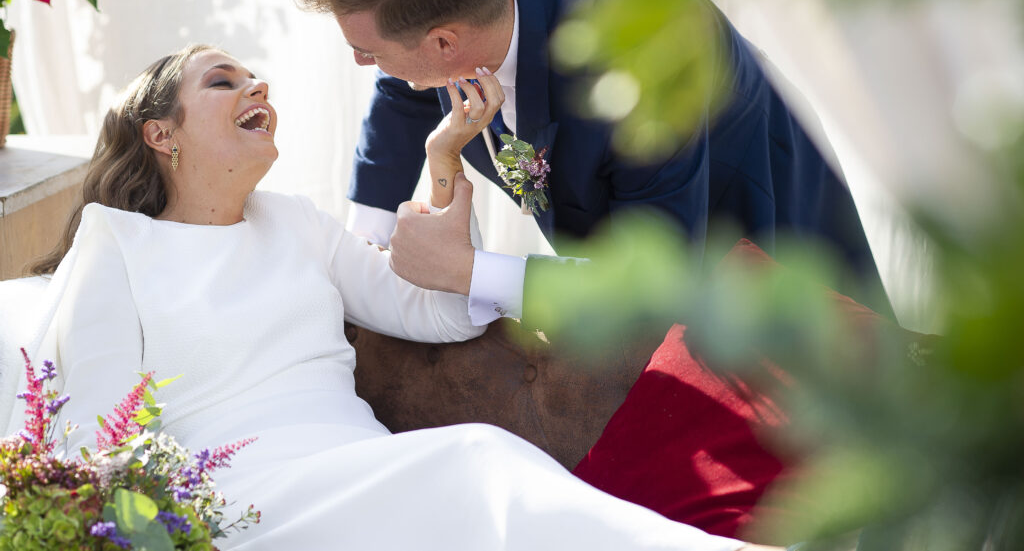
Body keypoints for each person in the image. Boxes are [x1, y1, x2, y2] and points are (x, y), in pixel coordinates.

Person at [30, 44, 778, 551]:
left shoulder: (294, 219)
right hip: (239, 502)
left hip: (361, 468)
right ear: (161, 132)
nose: (257, 87)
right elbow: (90, 441)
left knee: (472, 469)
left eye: (254, 76)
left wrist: (443, 159)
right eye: (224, 80)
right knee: (478, 459)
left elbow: (437, 309)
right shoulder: (115, 242)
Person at [292, 0, 893, 322]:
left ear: (447, 42)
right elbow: (403, 77)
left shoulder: (638, 81)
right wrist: (362, 250)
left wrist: (467, 272)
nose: (363, 66)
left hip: (739, 190)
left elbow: (658, 283)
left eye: (366, 53)